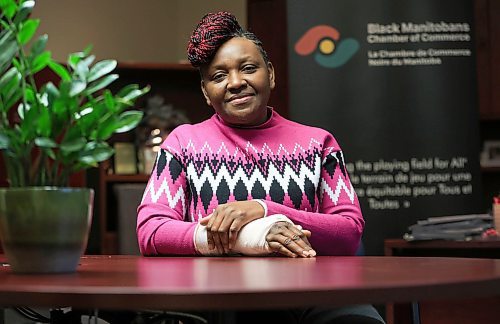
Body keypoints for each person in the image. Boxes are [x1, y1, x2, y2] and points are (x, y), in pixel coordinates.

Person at [137, 11, 385, 324]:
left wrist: (263, 210)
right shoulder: (183, 144)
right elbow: (152, 230)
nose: (235, 83)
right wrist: (252, 235)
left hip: (314, 295)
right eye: (218, 76)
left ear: (270, 74)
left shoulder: (318, 143)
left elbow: (349, 232)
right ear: (205, 91)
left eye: (248, 68)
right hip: (216, 298)